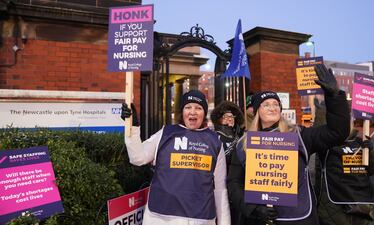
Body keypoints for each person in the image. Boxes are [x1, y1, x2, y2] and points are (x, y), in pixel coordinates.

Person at [227, 64, 350, 225]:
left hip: (298, 218)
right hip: (259, 219)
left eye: (276, 104)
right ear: (257, 111)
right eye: (266, 104)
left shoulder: (298, 135)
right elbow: (234, 183)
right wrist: (253, 208)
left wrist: (334, 97)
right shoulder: (243, 144)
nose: (272, 107)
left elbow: (337, 132)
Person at [121, 90, 230, 225]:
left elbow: (220, 189)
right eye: (188, 107)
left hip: (200, 218)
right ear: (182, 112)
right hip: (161, 218)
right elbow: (137, 158)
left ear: (204, 113)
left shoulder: (214, 141)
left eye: (198, 108)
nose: (193, 112)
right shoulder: (166, 133)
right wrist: (132, 126)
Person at [316, 128, 374, 225]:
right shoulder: (328, 142)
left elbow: (372, 170)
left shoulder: (361, 143)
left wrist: (371, 151)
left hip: (363, 205)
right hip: (335, 204)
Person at [211, 101, 244, 169]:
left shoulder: (241, 137)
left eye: (232, 117)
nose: (230, 119)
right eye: (226, 116)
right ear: (218, 119)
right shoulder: (214, 137)